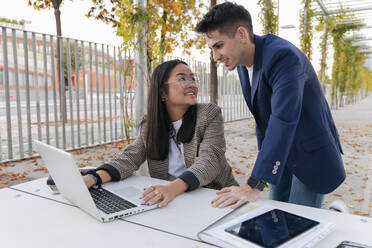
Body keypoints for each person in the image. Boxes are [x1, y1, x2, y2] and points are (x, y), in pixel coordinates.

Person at [195, 2, 345, 208]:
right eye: (212, 49)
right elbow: (263, 117)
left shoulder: (283, 57)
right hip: (278, 155)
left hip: (309, 152)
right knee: (275, 217)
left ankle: (334, 212)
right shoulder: (240, 63)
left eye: (218, 45)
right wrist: (264, 163)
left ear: (241, 34)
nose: (215, 57)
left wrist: (254, 184)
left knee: (298, 223)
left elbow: (283, 118)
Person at [82, 59, 238, 207]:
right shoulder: (150, 124)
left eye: (193, 79)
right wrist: (93, 178)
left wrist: (171, 189)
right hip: (172, 200)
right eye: (182, 79)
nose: (191, 84)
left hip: (217, 196)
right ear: (163, 93)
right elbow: (130, 158)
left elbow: (210, 161)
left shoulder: (209, 113)